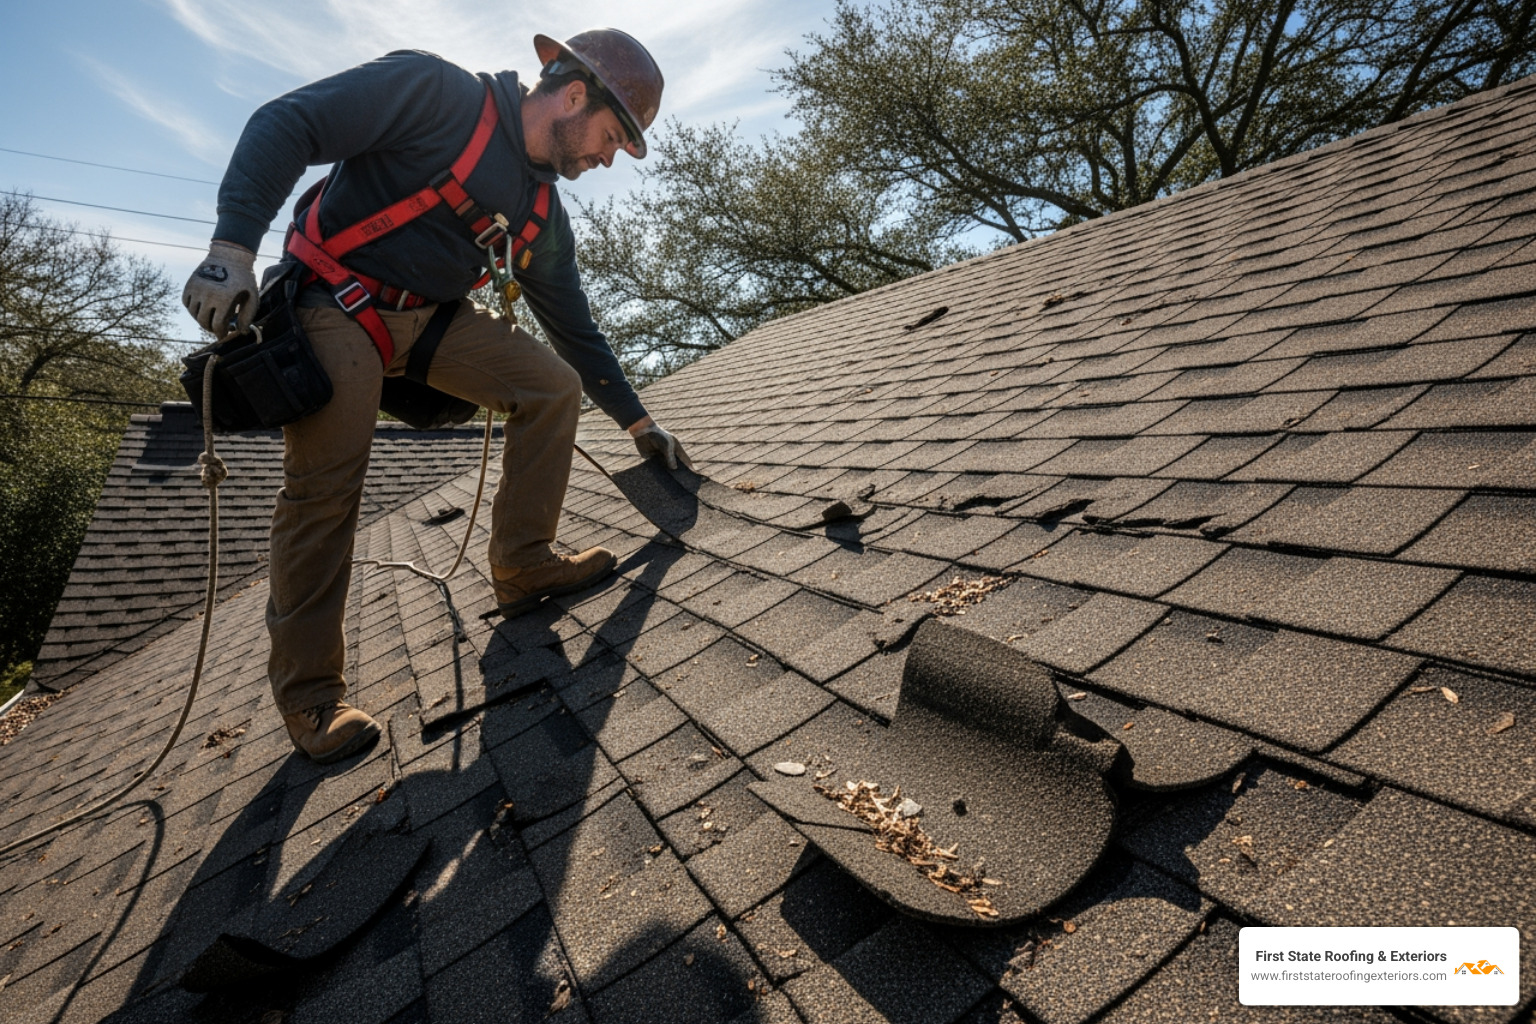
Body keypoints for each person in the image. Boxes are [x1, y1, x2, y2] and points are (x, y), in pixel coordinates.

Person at [181, 30, 689, 764]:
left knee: (552, 386)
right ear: (574, 96)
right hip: (337, 300)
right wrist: (231, 251)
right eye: (612, 138)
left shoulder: (542, 212)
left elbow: (573, 325)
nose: (606, 158)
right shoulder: (437, 94)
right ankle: (310, 696)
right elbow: (285, 123)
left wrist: (640, 424)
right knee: (328, 484)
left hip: (428, 322)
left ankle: (523, 563)